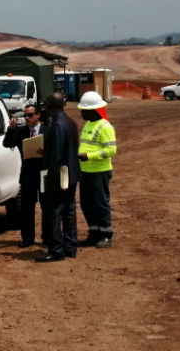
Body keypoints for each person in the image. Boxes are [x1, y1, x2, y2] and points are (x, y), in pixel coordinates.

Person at [36, 93, 81, 262]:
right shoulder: (70, 122)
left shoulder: (57, 125)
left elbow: (56, 155)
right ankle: (70, 247)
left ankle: (56, 250)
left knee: (54, 212)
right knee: (69, 211)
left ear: (49, 106)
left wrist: (51, 178)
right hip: (72, 174)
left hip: (60, 175)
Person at [3, 104, 48, 247]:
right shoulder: (21, 131)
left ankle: (47, 236)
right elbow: (7, 143)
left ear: (38, 115)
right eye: (25, 115)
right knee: (27, 208)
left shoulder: (47, 131)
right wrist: (11, 129)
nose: (27, 118)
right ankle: (28, 238)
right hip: (28, 175)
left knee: (47, 206)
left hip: (44, 174)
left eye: (30, 115)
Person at [76, 91, 117, 248]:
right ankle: (94, 232)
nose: (81, 112)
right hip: (85, 172)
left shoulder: (105, 126)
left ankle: (106, 235)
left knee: (100, 203)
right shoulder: (88, 125)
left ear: (92, 110)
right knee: (87, 204)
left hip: (99, 172)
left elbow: (111, 150)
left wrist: (89, 156)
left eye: (83, 110)